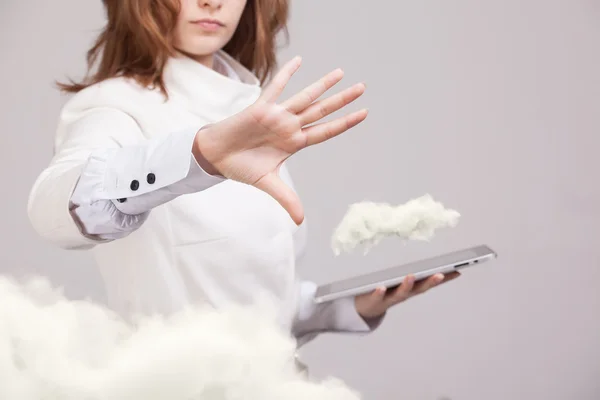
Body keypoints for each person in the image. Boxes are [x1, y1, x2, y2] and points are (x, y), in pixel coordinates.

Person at [28, 0, 457, 368]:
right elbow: (53, 210)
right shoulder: (114, 107)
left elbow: (250, 301)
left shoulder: (248, 108)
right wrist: (198, 155)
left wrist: (347, 307)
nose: (212, 1)